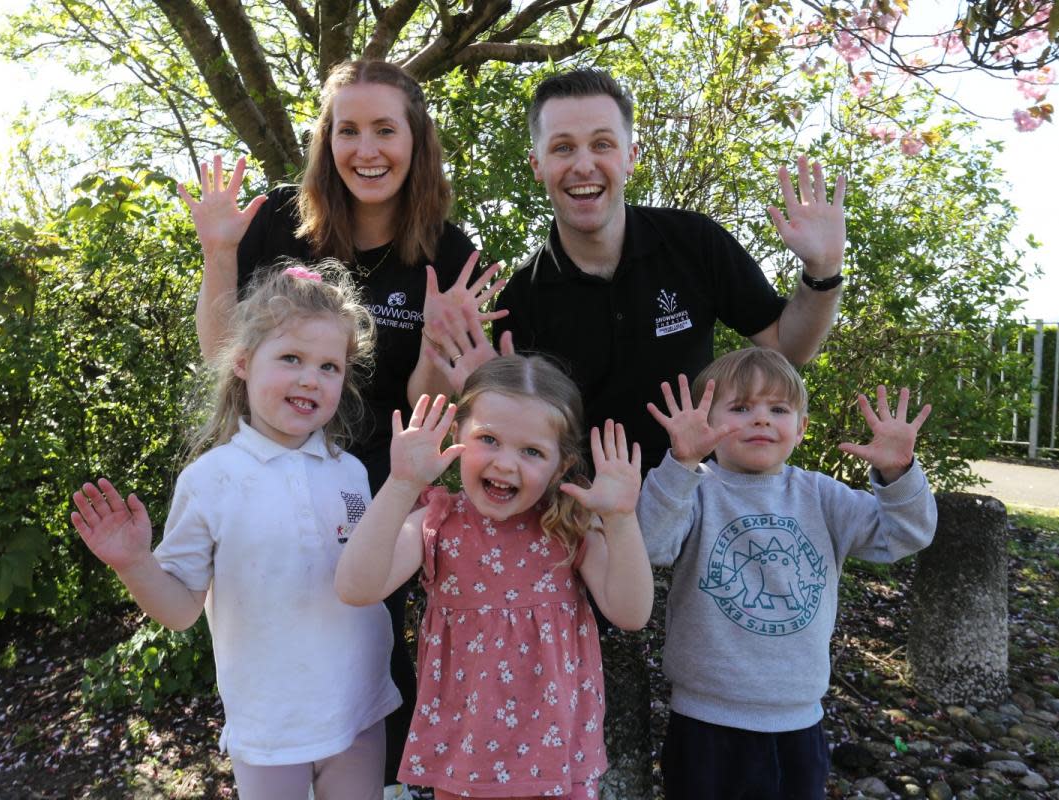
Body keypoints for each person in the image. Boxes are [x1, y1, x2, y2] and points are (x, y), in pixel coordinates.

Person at [178, 61, 501, 794]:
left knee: (367, 653)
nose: (367, 149)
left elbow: (423, 406)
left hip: (374, 491)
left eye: (385, 129)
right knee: (274, 639)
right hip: (269, 478)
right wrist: (220, 252)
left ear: (416, 140)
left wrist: (437, 352)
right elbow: (223, 356)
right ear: (326, 141)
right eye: (347, 130)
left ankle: (379, 783)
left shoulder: (447, 253)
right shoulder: (277, 223)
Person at [70, 265, 399, 800]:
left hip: (359, 710)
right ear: (243, 362)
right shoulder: (211, 480)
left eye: (330, 366)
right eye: (291, 358)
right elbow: (179, 611)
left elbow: (370, 573)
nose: (311, 378)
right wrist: (134, 563)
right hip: (268, 728)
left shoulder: (352, 473)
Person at [491, 68, 848, 474]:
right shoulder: (521, 299)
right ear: (538, 164)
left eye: (602, 144)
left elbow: (787, 347)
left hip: (703, 503)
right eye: (563, 148)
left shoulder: (693, 241)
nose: (584, 165)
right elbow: (522, 438)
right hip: (590, 518)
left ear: (631, 157)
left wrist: (823, 269)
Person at [335, 355, 655, 799]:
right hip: (462, 761)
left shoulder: (570, 527)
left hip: (557, 760)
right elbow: (356, 587)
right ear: (455, 437)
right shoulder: (438, 520)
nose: (506, 464)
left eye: (532, 452)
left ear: (561, 466)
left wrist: (620, 520)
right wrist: (402, 483)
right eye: (489, 439)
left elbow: (632, 612)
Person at [637, 347, 937, 799]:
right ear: (707, 425)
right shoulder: (694, 491)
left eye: (778, 409)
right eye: (740, 408)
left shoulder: (821, 496)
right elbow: (650, 545)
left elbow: (905, 535)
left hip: (798, 721)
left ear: (800, 429)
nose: (761, 420)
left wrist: (899, 473)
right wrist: (679, 465)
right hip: (704, 720)